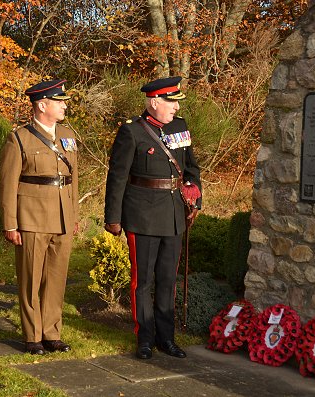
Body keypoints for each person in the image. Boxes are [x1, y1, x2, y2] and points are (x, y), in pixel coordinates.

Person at [104, 76, 202, 360]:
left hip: (173, 214)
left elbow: (191, 167)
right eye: (170, 102)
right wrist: (113, 217)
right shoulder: (132, 132)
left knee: (168, 280)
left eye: (175, 102)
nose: (174, 107)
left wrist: (196, 197)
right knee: (143, 281)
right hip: (142, 215)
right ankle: (144, 338)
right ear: (154, 101)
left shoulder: (180, 127)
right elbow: (117, 177)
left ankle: (166, 338)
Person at [0, 79, 79, 355]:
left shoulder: (68, 134)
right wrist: (10, 223)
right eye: (59, 101)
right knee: (31, 278)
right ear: (42, 105)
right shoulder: (19, 138)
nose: (64, 105)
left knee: (56, 278)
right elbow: (8, 184)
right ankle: (32, 335)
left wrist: (74, 216)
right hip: (31, 218)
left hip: (62, 217)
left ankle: (51, 333)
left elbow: (73, 179)